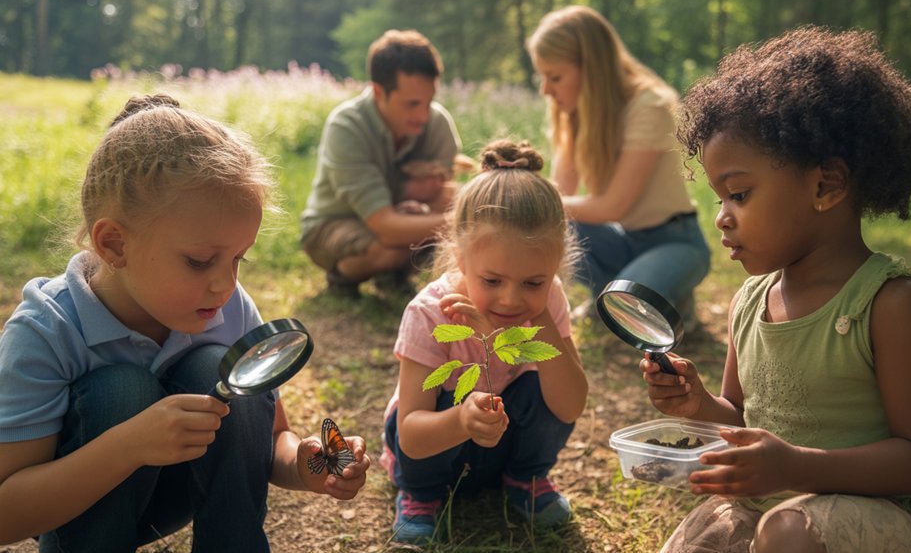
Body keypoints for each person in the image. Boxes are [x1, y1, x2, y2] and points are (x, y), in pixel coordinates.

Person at [642, 27, 911, 553]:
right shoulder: (751, 302)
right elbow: (741, 418)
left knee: (788, 533)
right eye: (717, 199)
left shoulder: (889, 303)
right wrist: (698, 404)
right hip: (777, 505)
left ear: (826, 186)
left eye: (738, 194)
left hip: (888, 516)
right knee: (705, 538)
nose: (721, 219)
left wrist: (795, 466)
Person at [0, 95, 372, 552]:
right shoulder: (47, 329)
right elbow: (7, 515)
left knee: (217, 367)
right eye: (200, 261)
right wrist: (129, 445)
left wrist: (305, 464)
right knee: (120, 391)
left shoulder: (230, 308)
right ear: (115, 244)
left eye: (238, 258)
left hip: (181, 493)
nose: (224, 285)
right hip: (77, 514)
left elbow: (270, 437)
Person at [379, 140, 588, 545]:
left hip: (501, 447)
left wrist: (541, 317)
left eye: (534, 282)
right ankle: (420, 497)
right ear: (460, 259)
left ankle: (525, 479)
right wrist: (460, 419)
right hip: (433, 451)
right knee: (442, 402)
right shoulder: (430, 314)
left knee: (541, 382)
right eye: (492, 281)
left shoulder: (549, 302)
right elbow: (411, 434)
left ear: (556, 265)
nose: (511, 299)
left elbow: (570, 404)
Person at [527, 5, 710, 329]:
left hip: (675, 240)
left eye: (554, 77)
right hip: (623, 240)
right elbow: (560, 197)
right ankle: (623, 293)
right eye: (542, 77)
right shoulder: (574, 115)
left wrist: (533, 198)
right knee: (553, 227)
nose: (546, 90)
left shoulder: (649, 106)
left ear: (591, 69)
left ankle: (655, 292)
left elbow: (613, 206)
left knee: (624, 307)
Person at [301, 29, 466, 298]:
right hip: (335, 223)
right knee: (392, 247)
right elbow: (387, 227)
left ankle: (395, 276)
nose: (424, 115)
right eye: (412, 104)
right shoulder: (347, 126)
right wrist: (465, 222)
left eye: (429, 102)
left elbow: (445, 191)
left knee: (455, 195)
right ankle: (343, 276)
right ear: (379, 92)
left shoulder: (437, 121)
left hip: (405, 217)